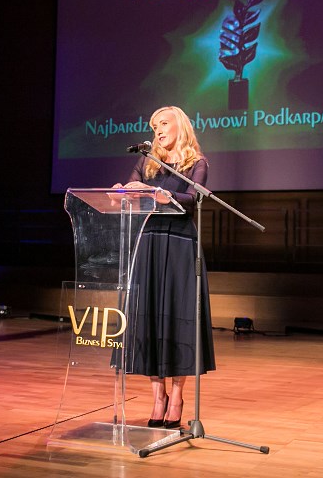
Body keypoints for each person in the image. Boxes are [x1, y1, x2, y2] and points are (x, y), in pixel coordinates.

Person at [113, 105, 216, 429]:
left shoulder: (196, 163)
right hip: (150, 242)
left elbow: (192, 199)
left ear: (179, 126)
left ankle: (177, 397)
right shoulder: (146, 161)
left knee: (177, 317)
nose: (158, 130)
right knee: (149, 318)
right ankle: (157, 397)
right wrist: (120, 193)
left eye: (164, 123)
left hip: (180, 244)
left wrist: (160, 193)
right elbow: (131, 189)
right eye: (155, 125)